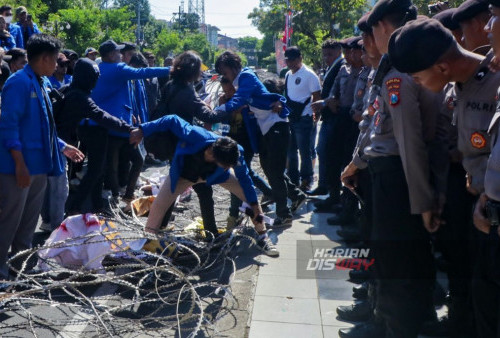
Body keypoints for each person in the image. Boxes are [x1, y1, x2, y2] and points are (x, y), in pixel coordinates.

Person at [388, 15, 500, 337]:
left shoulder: (495, 80)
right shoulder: (453, 89)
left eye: (418, 77)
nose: (417, 84)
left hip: (491, 208)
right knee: (467, 281)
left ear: (441, 67)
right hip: (469, 200)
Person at [129, 114, 279, 257]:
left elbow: (246, 182)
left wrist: (253, 204)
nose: (229, 167)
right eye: (226, 165)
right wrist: (142, 130)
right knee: (158, 206)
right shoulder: (196, 135)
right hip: (184, 175)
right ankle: (147, 243)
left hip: (216, 176)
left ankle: (263, 237)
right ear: (213, 155)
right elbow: (171, 120)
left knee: (249, 197)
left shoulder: (235, 154)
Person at [0, 34, 83, 281]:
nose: (58, 66)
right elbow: (9, 126)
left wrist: (61, 145)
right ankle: (1, 274)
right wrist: (19, 164)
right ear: (44, 58)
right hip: (19, 167)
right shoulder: (19, 83)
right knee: (9, 222)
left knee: (27, 223)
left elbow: (42, 126)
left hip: (38, 166)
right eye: (56, 61)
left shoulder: (40, 83)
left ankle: (20, 268)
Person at [214, 50, 307, 228]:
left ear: (234, 67)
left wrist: (215, 112)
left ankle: (284, 214)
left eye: (225, 71)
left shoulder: (245, 77)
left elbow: (239, 100)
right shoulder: (240, 81)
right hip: (268, 130)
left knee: (276, 173)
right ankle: (296, 195)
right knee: (269, 169)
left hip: (276, 127)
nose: (224, 75)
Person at [90, 40, 170, 204]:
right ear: (112, 55)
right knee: (132, 161)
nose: (121, 55)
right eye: (118, 52)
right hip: (117, 126)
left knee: (115, 163)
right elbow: (143, 72)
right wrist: (170, 70)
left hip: (111, 125)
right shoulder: (118, 68)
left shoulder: (99, 69)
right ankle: (123, 195)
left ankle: (121, 194)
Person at [219, 76, 274, 229]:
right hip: (231, 143)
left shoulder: (246, 99)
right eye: (225, 91)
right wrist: (227, 108)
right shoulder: (224, 101)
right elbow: (222, 122)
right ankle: (269, 192)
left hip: (247, 143)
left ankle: (233, 215)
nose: (228, 93)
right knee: (247, 173)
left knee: (238, 176)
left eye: (231, 90)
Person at [307, 39, 344, 198]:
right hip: (328, 115)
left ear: (338, 51)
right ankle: (324, 185)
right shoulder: (332, 66)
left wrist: (325, 103)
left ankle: (330, 189)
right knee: (322, 151)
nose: (326, 57)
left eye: (329, 54)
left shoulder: (341, 66)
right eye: (324, 54)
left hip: (335, 116)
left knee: (328, 153)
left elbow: (338, 92)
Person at [283, 46, 321, 191]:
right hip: (291, 118)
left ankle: (306, 179)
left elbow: (317, 97)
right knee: (290, 151)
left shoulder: (309, 75)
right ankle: (293, 179)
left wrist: (315, 118)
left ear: (300, 58)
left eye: (292, 60)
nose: (290, 63)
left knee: (305, 152)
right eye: (288, 60)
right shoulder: (288, 75)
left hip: (304, 118)